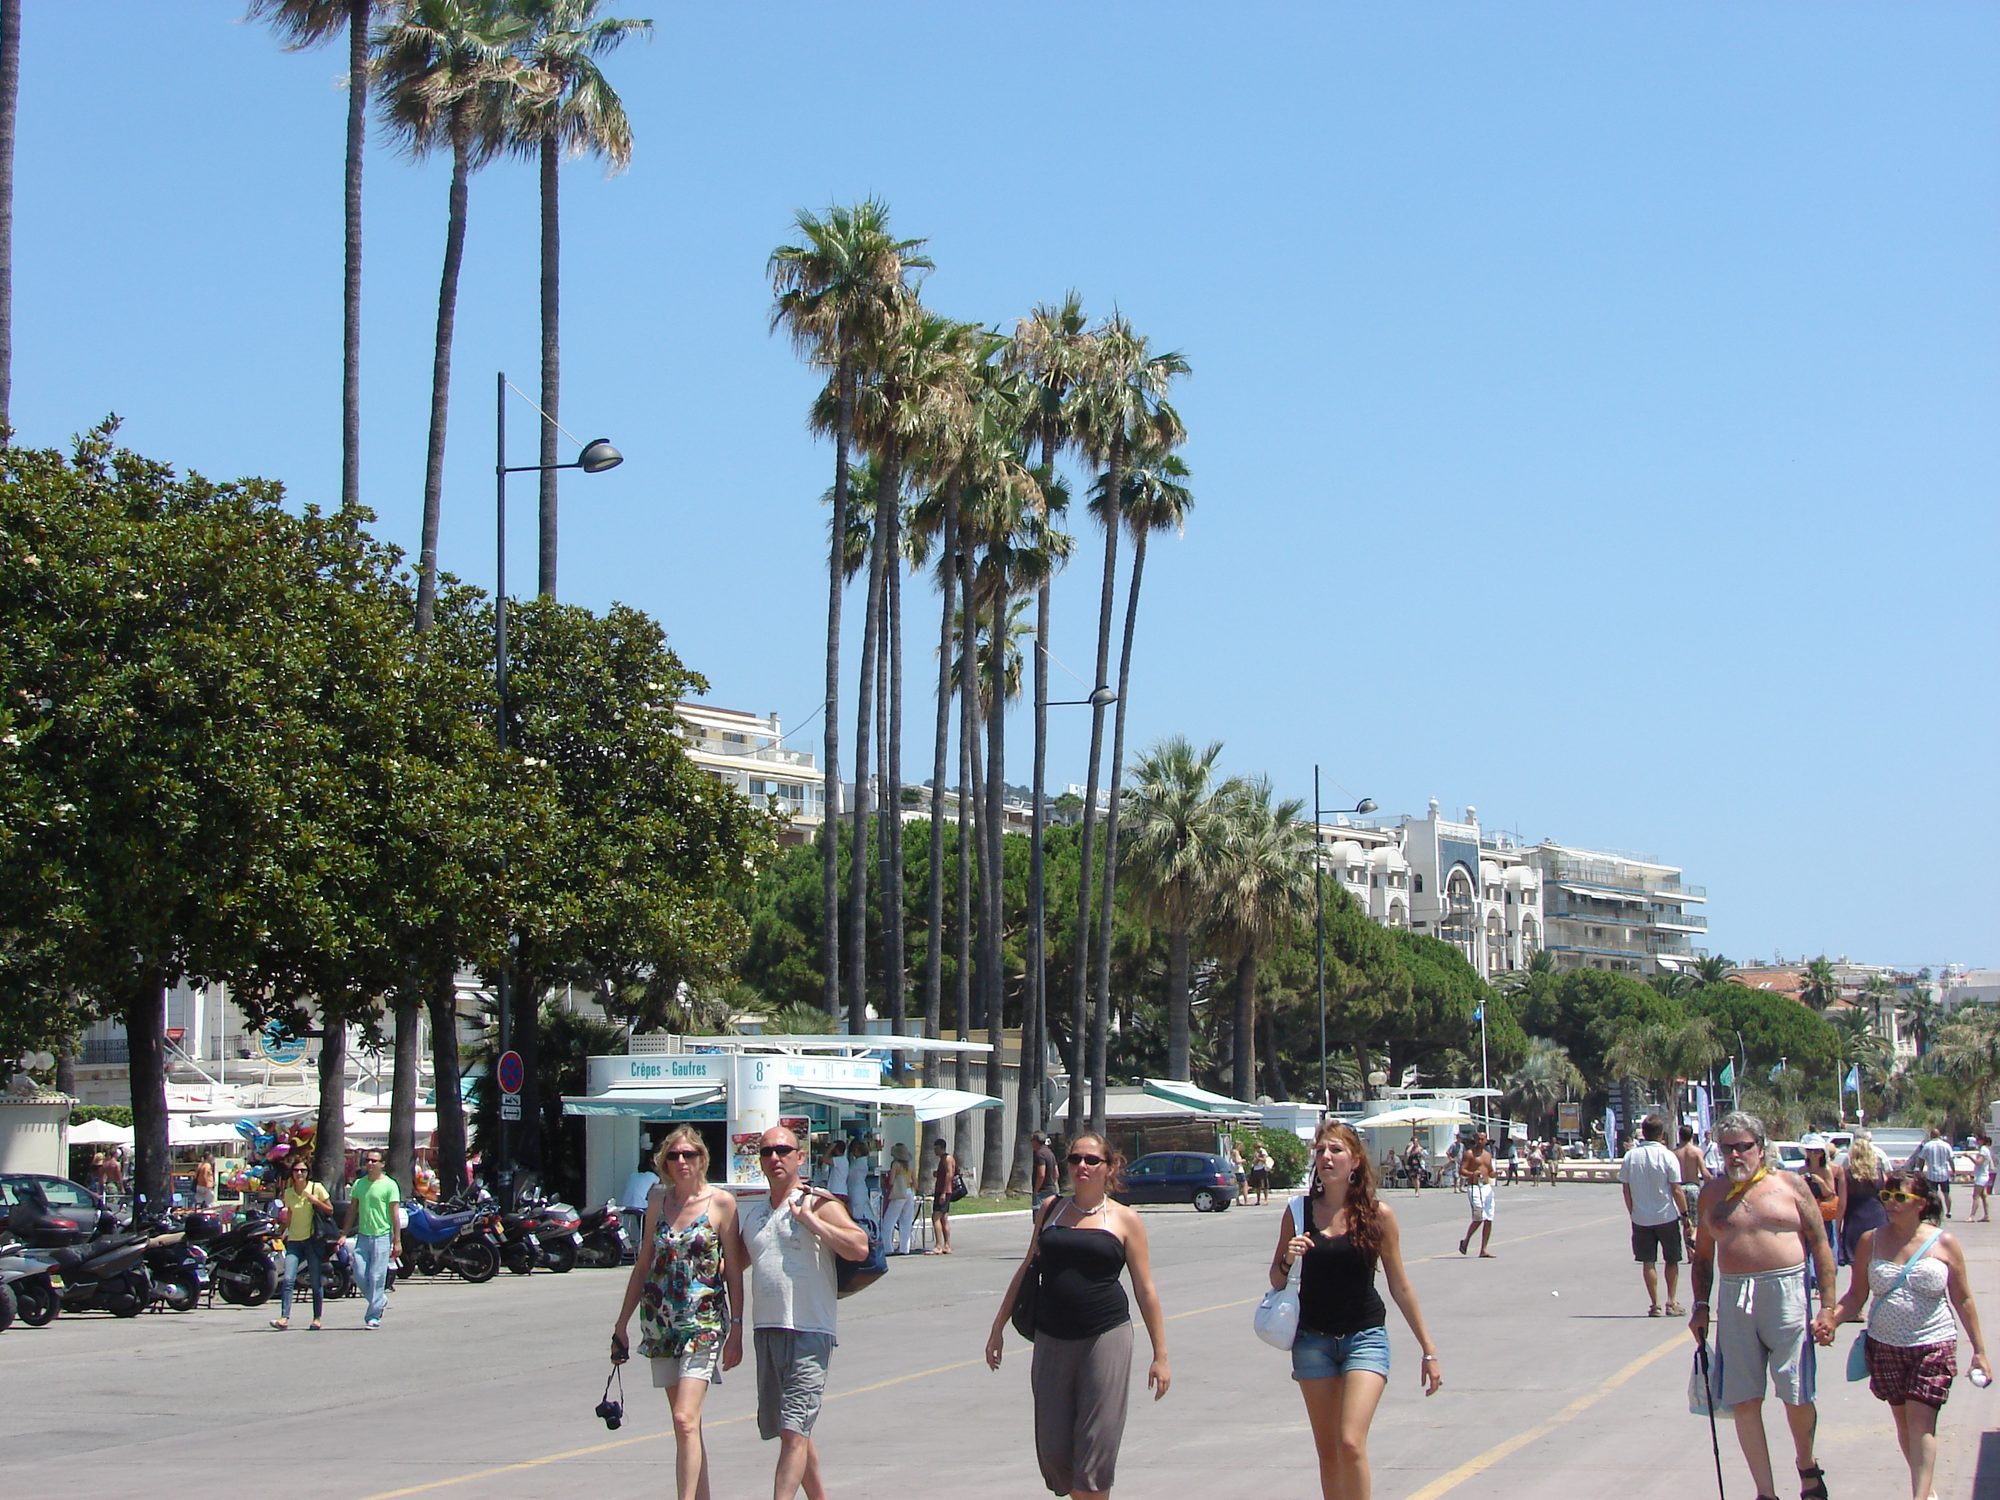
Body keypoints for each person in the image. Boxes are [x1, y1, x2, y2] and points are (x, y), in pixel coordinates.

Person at [985, 1133, 1171, 1499]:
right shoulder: (1051, 1210)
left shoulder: (1125, 1219)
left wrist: (1160, 1355)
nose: (1081, 1167)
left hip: (1105, 1337)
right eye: (1074, 1160)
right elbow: (1027, 1267)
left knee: (1094, 1455)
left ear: (1110, 1167)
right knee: (1055, 1452)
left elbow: (1145, 1288)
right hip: (1051, 1338)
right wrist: (997, 1328)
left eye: (1091, 1160)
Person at [1268, 1120, 1442, 1500]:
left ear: (1356, 1161)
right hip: (1312, 1340)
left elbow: (1400, 1284)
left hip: (1365, 1337)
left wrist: (1428, 1350)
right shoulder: (1298, 1211)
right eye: (1320, 1151)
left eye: (1335, 1151)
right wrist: (1287, 1258)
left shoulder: (1378, 1214)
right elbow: (1277, 1280)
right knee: (1328, 1453)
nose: (1326, 1158)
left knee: (1350, 1442)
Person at [1813, 1170, 1989, 1500]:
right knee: (1905, 1425)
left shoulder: (1943, 1242)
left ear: (1920, 1203)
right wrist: (1832, 1320)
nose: (1891, 1204)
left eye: (1900, 1197)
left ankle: (1919, 1497)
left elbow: (1963, 1298)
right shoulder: (1871, 1241)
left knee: (1921, 1423)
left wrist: (1979, 1350)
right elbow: (1856, 1296)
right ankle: (1927, 1490)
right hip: (1886, 1346)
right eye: (1886, 1197)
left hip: (1933, 1344)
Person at [1688, 1110, 1837, 1500]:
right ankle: (1765, 1492)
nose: (1736, 1156)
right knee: (1744, 1398)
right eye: (1728, 1149)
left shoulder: (1790, 1186)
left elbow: (1821, 1245)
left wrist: (1828, 1309)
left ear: (1761, 1147)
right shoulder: (1712, 1194)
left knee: (1797, 1391)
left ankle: (1806, 1464)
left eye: (1744, 1147)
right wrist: (1700, 1306)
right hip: (1735, 1298)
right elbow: (1703, 1257)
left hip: (1786, 1294)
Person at [610, 1127, 745, 1500]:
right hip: (660, 1323)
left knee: (685, 1418)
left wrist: (736, 1327)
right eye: (674, 1156)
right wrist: (621, 1324)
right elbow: (643, 1265)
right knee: (687, 1426)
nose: (682, 1162)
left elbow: (732, 1269)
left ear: (702, 1159)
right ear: (664, 1162)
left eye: (689, 1155)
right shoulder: (658, 1201)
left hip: (702, 1324)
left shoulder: (721, 1203)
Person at [737, 1125, 868, 1500]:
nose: (774, 1158)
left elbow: (858, 1247)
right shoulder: (757, 1215)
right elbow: (733, 1264)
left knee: (794, 1430)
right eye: (766, 1152)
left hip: (810, 1331)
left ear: (800, 1157)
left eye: (783, 1150)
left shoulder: (818, 1202)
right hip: (767, 1330)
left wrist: (812, 1222)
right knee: (792, 1428)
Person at [1619, 1116, 1690, 1317]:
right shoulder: (1667, 1156)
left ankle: (1655, 1304)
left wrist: (1632, 1211)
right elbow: (1676, 1189)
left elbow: (1626, 1189)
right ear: (1661, 1134)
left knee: (1648, 1261)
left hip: (1641, 1218)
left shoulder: (1631, 1157)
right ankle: (1671, 1301)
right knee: (1672, 1260)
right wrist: (1685, 1215)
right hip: (1666, 1215)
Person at [272, 1156, 339, 1331]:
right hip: (294, 1241)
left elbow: (330, 1210)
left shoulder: (316, 1188)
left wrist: (314, 1201)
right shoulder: (288, 1193)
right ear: (292, 1173)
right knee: (288, 1279)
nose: (300, 1173)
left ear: (308, 1173)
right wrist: (281, 1230)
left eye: (303, 1170)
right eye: (296, 1170)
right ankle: (284, 1317)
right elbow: (290, 1216)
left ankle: (317, 1318)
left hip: (312, 1240)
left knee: (315, 1281)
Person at [342, 1149, 402, 1330]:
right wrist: (344, 1232)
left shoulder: (390, 1185)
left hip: (382, 1236)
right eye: (367, 1160)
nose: (370, 1164)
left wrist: (397, 1240)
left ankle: (373, 1316)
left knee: (376, 1277)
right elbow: (352, 1210)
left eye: (374, 1161)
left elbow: (395, 1214)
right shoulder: (359, 1184)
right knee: (359, 1273)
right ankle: (380, 1300)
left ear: (382, 1164)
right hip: (363, 1236)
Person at [1837, 1131, 1889, 1279]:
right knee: (1879, 1264)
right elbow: (1885, 1198)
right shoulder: (1879, 1174)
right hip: (1878, 1219)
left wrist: (1837, 1227)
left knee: (1858, 1270)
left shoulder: (1846, 1175)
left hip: (1855, 1221)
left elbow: (1842, 1204)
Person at [1799, 1136, 1843, 1274]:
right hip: (1807, 1212)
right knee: (1807, 1246)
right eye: (1810, 1151)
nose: (1813, 1154)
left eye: (1816, 1151)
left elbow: (1830, 1193)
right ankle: (1811, 1276)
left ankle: (1826, 1274)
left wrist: (1820, 1182)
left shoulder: (1826, 1170)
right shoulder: (1802, 1170)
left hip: (1824, 1213)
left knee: (1825, 1245)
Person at [1457, 1133, 1496, 1257]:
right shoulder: (1469, 1154)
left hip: (1486, 1188)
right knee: (1479, 1217)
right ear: (1475, 1139)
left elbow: (1490, 1172)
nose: (1480, 1141)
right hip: (1474, 1187)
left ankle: (1483, 1249)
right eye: (1478, 1139)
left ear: (1486, 1140)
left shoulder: (1488, 1155)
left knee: (1489, 1218)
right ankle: (1466, 1240)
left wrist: (1495, 1174)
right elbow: (1462, 1170)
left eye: (1483, 1139)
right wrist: (1473, 1173)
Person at [623, 1146, 661, 1261]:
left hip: (626, 1205)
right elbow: (655, 1193)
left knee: (640, 1215)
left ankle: (638, 1243)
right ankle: (646, 1244)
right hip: (640, 1206)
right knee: (650, 1219)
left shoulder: (633, 1175)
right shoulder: (653, 1177)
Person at [882, 1142, 919, 1256]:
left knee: (888, 1221)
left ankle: (887, 1248)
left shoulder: (895, 1165)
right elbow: (915, 1183)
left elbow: (891, 1181)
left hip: (899, 1193)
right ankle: (905, 1248)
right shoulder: (910, 1165)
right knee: (906, 1221)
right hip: (909, 1192)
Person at [1911, 1126, 1955, 1220]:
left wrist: (1919, 1170)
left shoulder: (1928, 1146)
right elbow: (1951, 1160)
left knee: (1933, 1194)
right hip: (1944, 1174)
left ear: (1931, 1135)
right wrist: (1953, 1171)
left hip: (1932, 1174)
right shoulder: (1946, 1145)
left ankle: (1934, 1211)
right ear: (1939, 1135)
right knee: (1946, 1194)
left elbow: (1921, 1159)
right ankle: (1949, 1211)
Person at [929, 1137, 957, 1255]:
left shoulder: (947, 1159)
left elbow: (950, 1175)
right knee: (943, 1218)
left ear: (942, 1148)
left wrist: (944, 1193)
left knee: (935, 1217)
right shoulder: (942, 1159)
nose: (935, 1151)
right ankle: (947, 1245)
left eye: (936, 1149)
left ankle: (939, 1245)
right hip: (942, 1190)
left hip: (943, 1191)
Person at [1032, 1132, 1062, 1210]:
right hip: (1051, 1190)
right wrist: (1052, 1183)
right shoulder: (1050, 1153)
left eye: (1032, 1140)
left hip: (1042, 1191)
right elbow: (1056, 1173)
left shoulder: (1039, 1154)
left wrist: (1036, 1190)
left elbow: (1041, 1174)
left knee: (1039, 1218)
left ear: (1036, 1141)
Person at [1970, 1134, 1994, 1223]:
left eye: (1978, 1140)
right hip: (1983, 1175)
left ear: (1982, 1141)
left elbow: (1978, 1162)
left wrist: (1968, 1156)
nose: (1976, 1141)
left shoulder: (1983, 1150)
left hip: (1981, 1176)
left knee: (1975, 1196)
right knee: (1983, 1196)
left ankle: (1972, 1216)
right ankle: (1986, 1215)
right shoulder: (1985, 1149)